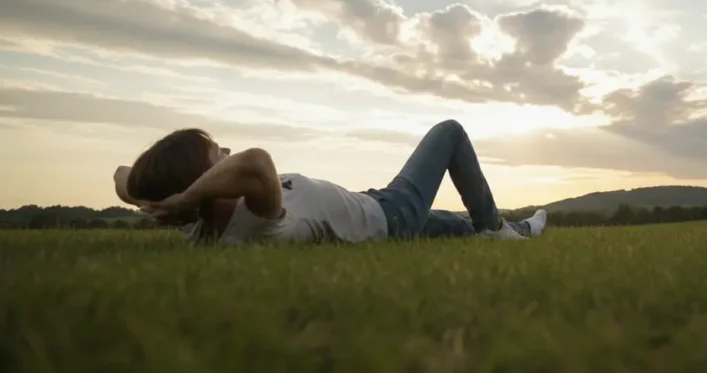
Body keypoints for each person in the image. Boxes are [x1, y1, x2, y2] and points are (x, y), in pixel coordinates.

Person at [114, 119, 547, 245]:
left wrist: (160, 199)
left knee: (456, 226)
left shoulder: (200, 223)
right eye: (217, 157)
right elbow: (256, 161)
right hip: (390, 213)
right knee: (449, 132)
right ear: (204, 183)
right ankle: (497, 232)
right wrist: (189, 194)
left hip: (372, 205)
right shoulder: (257, 218)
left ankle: (515, 229)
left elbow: (122, 179)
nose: (227, 155)